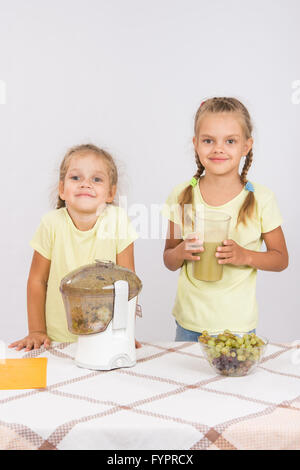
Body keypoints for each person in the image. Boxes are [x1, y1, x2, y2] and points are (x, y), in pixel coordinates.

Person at [162, 97, 289, 341]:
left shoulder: (261, 198)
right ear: (196, 144)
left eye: (230, 141)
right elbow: (168, 259)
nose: (218, 148)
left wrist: (245, 256)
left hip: (237, 326)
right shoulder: (181, 195)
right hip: (190, 323)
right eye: (208, 140)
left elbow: (281, 259)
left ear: (246, 146)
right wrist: (181, 251)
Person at [9, 143, 141, 350]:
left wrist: (124, 332)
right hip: (58, 337)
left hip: (105, 335)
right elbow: (37, 280)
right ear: (62, 189)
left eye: (96, 179)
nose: (85, 184)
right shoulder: (51, 224)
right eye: (76, 178)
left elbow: (128, 284)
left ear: (110, 193)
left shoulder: (118, 221)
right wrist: (36, 331)